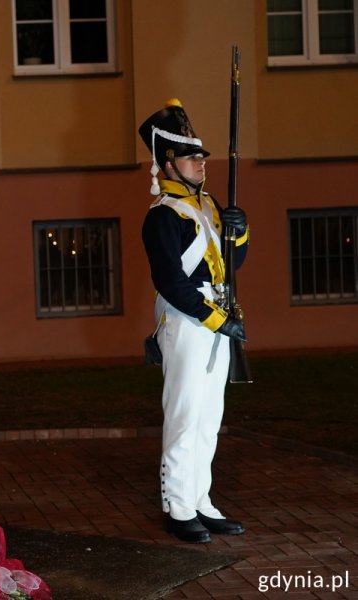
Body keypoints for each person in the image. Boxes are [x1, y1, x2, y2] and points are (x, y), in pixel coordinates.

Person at [138, 99, 249, 544]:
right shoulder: (163, 215)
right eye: (191, 157)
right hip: (188, 320)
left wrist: (238, 230)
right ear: (168, 164)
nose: (201, 164)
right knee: (184, 416)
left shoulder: (208, 206)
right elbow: (170, 280)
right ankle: (178, 506)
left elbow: (231, 262)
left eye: (202, 157)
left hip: (216, 317)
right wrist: (217, 319)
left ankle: (201, 500)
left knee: (209, 416)